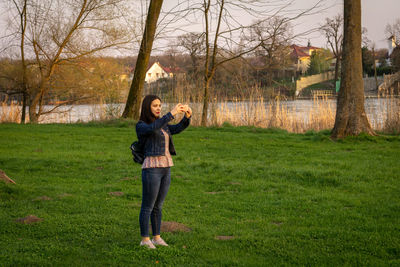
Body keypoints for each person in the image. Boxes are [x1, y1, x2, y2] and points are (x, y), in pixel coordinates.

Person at [136, 95, 192, 249]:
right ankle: (145, 240)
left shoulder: (163, 124)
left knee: (158, 206)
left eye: (160, 105)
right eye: (155, 105)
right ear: (147, 107)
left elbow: (176, 129)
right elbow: (152, 128)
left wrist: (187, 117)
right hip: (152, 169)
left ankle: (157, 237)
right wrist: (171, 114)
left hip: (166, 168)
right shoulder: (142, 125)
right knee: (147, 206)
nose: (158, 108)